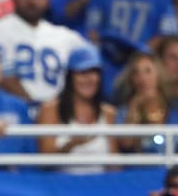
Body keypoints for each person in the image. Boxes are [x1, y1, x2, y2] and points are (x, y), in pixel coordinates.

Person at [35, 46, 118, 174]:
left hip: (100, 187)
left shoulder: (108, 113)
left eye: (93, 72)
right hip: (62, 188)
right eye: (82, 73)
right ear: (70, 77)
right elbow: (45, 163)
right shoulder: (50, 110)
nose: (89, 79)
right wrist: (70, 145)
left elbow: (114, 166)